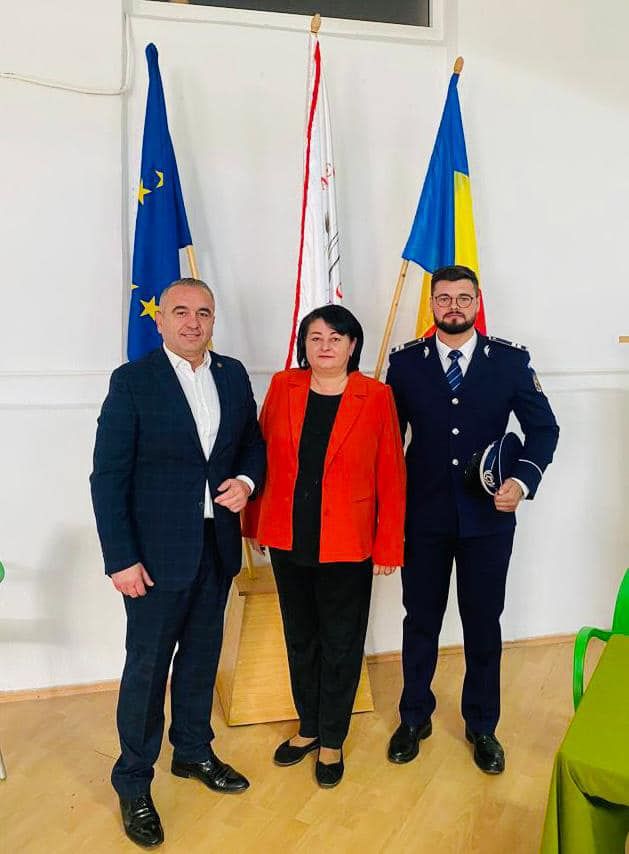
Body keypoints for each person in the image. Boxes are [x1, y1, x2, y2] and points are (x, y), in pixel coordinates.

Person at [90, 278, 265, 848]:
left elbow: (252, 443)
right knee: (147, 669)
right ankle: (133, 781)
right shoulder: (133, 381)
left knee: (201, 659)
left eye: (203, 313)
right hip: (153, 559)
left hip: (216, 548)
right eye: (181, 312)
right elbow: (108, 477)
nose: (193, 322)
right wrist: (121, 558)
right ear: (160, 320)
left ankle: (192, 752)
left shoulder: (233, 375)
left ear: (214, 320)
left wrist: (246, 481)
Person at [386, 265, 559, 774]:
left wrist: (521, 482)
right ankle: (414, 716)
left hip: (488, 518)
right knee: (420, 620)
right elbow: (388, 440)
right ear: (432, 304)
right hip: (424, 517)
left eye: (463, 298)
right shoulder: (406, 364)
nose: (454, 307)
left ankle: (482, 724)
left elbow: (544, 429)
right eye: (444, 298)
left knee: (483, 622)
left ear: (477, 302)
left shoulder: (509, 362)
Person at [243, 305, 406, 788]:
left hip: (348, 541)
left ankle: (332, 737)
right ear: (304, 345)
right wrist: (255, 524)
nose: (326, 346)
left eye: (336, 337)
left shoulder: (376, 396)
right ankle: (309, 726)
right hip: (288, 537)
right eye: (315, 338)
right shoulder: (283, 386)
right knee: (300, 637)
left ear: (352, 345)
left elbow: (391, 473)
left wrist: (388, 545)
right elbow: (260, 454)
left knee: (341, 642)